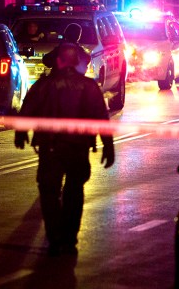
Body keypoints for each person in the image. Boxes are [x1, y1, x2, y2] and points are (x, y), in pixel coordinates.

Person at [14, 43, 115, 256]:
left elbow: (28, 110)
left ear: (59, 61)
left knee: (49, 192)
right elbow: (101, 117)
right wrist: (108, 146)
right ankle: (69, 237)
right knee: (74, 192)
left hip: (50, 148)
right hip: (79, 149)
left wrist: (21, 133)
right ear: (76, 62)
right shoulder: (89, 86)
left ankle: (55, 236)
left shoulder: (44, 85)